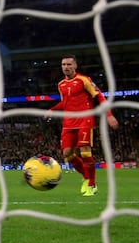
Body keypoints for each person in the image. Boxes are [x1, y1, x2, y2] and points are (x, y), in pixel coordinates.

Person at [46, 55, 118, 197]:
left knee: (85, 151)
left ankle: (91, 184)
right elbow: (65, 102)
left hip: (85, 119)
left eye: (69, 64)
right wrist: (52, 110)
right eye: (63, 64)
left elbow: (99, 96)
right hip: (68, 122)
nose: (66, 67)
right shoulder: (61, 84)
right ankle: (86, 176)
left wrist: (109, 115)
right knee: (67, 154)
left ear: (75, 66)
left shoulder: (84, 80)